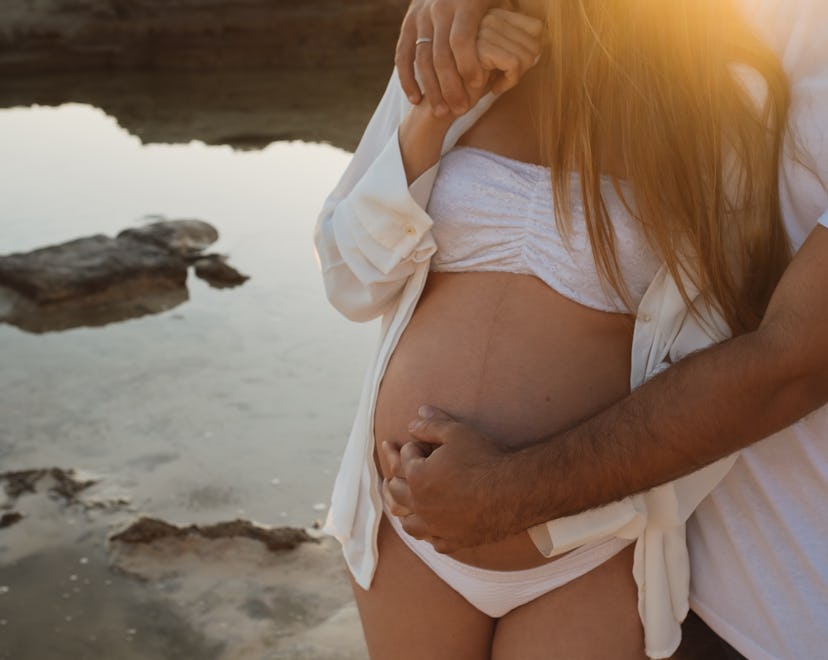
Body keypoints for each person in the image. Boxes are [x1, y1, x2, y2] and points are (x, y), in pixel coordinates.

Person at [315, 1, 825, 658]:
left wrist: (588, 510)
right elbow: (349, 281)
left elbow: (732, 357)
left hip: (587, 549)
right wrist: (435, 113)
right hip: (408, 521)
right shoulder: (452, 42)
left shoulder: (718, 100)